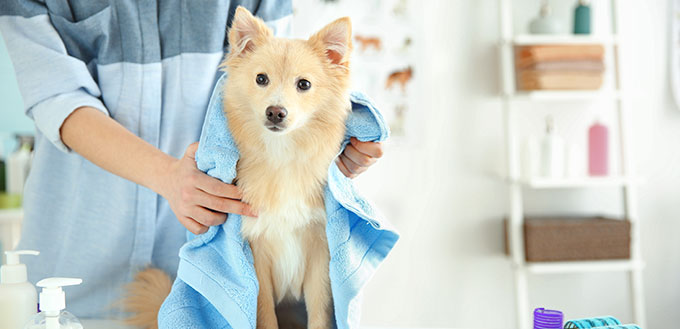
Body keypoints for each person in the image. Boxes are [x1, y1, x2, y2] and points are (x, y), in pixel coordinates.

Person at [0, 0, 383, 318]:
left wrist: (328, 154)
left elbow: (287, 74)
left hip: (213, 276)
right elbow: (57, 95)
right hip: (74, 274)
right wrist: (167, 176)